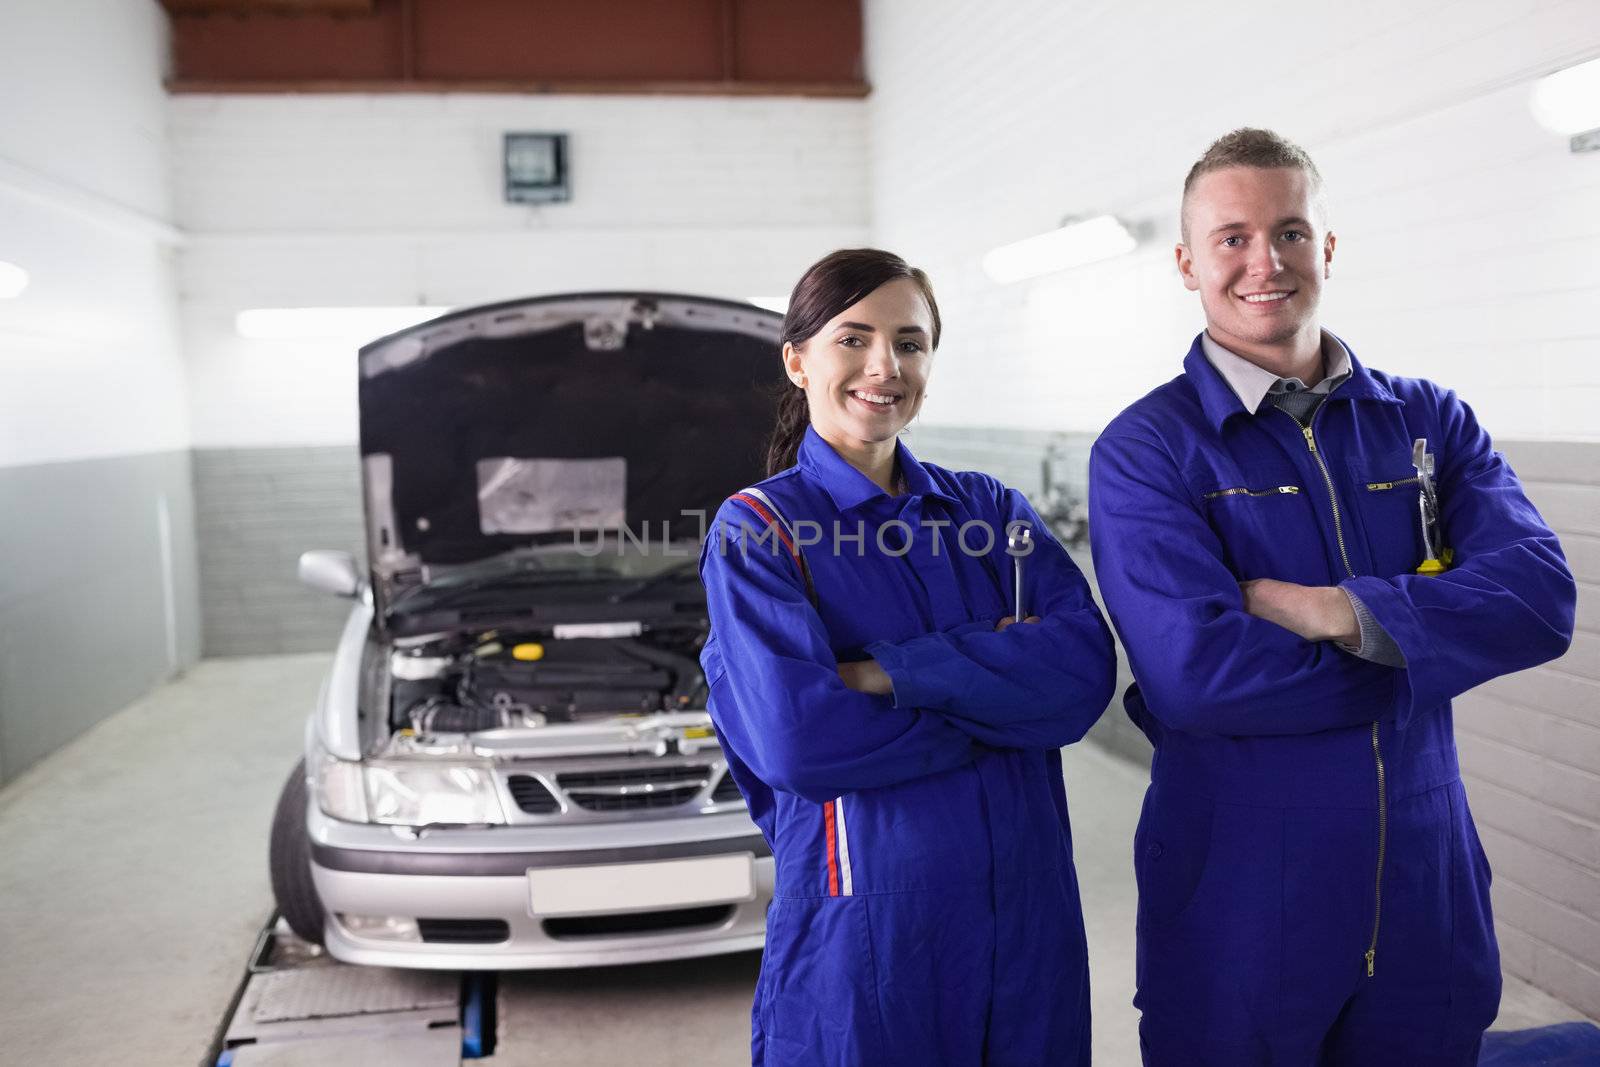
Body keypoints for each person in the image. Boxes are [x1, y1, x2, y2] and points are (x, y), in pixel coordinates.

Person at [1087, 128, 1577, 1066]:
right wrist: (1424, 654)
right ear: (1187, 262)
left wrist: (1341, 613)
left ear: (1327, 247)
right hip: (1241, 887)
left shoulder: (1428, 421)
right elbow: (1198, 677)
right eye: (1231, 238)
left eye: (1290, 231)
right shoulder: (1149, 450)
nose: (1264, 262)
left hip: (1424, 883)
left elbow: (1541, 599)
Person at [699, 248, 1117, 1067]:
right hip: (871, 932)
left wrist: (888, 673)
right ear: (798, 360)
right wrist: (998, 707)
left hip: (1028, 920)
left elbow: (1082, 675)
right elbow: (801, 741)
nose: (884, 366)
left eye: (911, 342)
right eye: (853, 339)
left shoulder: (991, 510)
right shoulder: (759, 532)